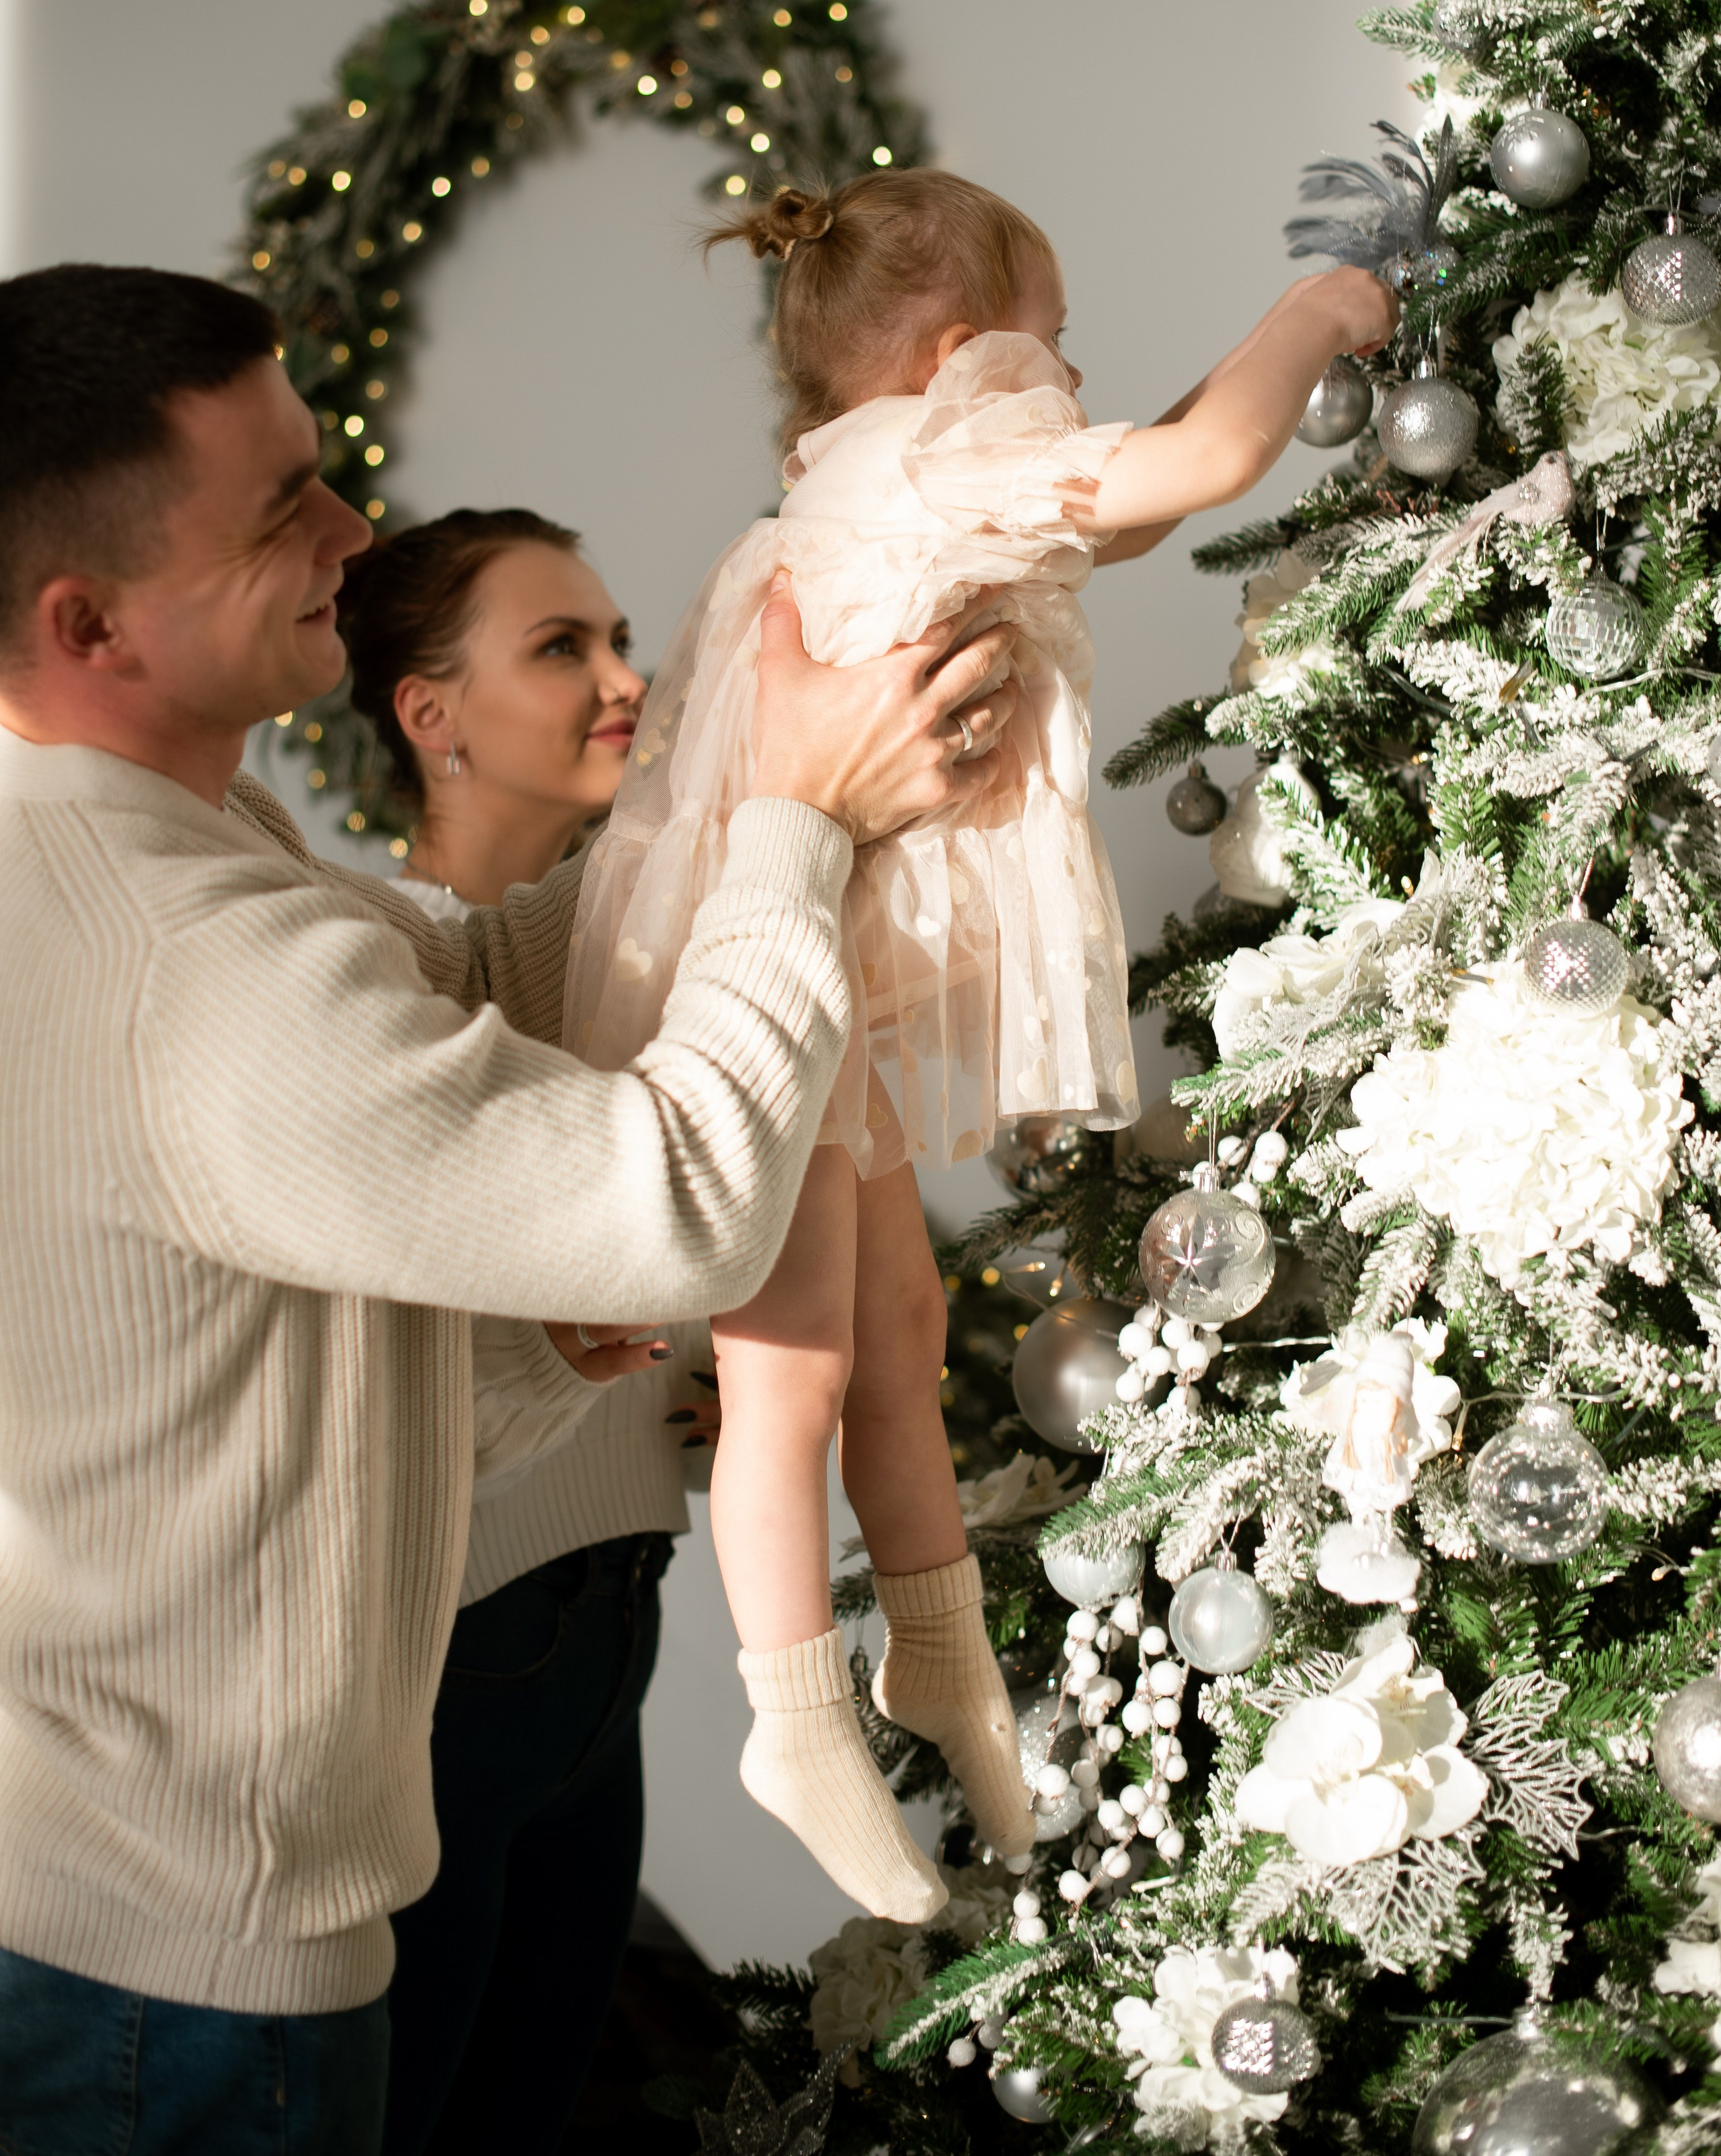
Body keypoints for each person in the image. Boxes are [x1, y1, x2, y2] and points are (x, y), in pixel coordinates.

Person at [0, 262, 1019, 2155]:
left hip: (149, 1920)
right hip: (169, 1983)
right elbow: (684, 1205)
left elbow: (483, 980)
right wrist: (791, 827)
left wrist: (783, 774)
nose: (349, 528)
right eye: (276, 512)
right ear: (90, 622)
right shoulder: (175, 949)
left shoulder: (162, 845)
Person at [566, 171, 1396, 1920]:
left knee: (904, 1327)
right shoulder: (934, 464)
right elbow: (1200, 475)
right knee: (789, 1372)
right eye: (1058, 342)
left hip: (823, 998)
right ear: (963, 356)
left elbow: (1136, 505)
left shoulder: (872, 483)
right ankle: (789, 1718)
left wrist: (1228, 369)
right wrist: (1319, 310)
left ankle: (933, 1652)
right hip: (775, 994)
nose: (1071, 376)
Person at [333, 506, 699, 2153]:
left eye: (619, 641)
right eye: (563, 647)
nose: (622, 681)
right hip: (461, 1657)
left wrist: (676, 1386)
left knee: (529, 2118)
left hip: (610, 1629)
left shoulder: (609, 966)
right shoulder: (379, 973)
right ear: (432, 713)